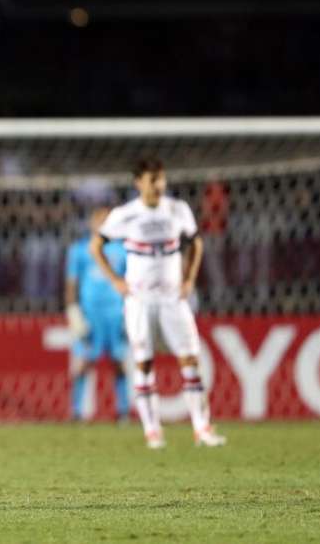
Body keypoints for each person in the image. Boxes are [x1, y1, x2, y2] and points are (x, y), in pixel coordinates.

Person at [91, 158, 226, 449]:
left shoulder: (178, 210)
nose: (159, 185)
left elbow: (196, 242)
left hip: (172, 299)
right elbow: (96, 245)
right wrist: (116, 280)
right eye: (153, 180)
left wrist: (189, 279)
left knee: (190, 360)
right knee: (144, 363)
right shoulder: (125, 214)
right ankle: (152, 431)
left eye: (161, 179)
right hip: (139, 301)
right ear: (138, 182)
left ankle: (202, 429)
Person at [65, 207, 129, 422]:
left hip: (115, 312)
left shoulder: (123, 250)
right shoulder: (79, 250)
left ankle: (123, 411)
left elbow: (130, 281)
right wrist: (73, 311)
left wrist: (130, 310)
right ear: (91, 224)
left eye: (106, 221)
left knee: (119, 361)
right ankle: (76, 411)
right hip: (90, 313)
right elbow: (71, 283)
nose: (102, 225)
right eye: (98, 221)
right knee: (83, 362)